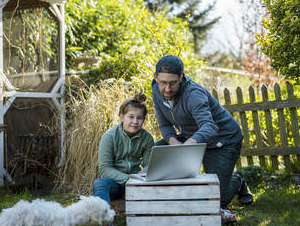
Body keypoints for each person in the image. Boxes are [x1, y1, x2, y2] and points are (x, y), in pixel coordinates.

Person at [151, 55, 253, 222]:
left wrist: (189, 144)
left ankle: (237, 180)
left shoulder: (193, 94)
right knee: (158, 148)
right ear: (156, 77)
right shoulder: (156, 90)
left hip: (224, 140)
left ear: (181, 78)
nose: (167, 89)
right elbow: (165, 126)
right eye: (163, 82)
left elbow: (210, 126)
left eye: (173, 83)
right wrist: (176, 144)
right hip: (193, 138)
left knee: (213, 202)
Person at [93, 92, 154, 206]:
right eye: (131, 117)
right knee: (99, 183)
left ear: (144, 119)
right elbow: (105, 168)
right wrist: (128, 179)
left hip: (137, 182)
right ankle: (104, 218)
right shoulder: (109, 136)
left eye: (139, 118)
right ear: (121, 117)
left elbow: (149, 164)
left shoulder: (147, 138)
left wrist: (144, 172)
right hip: (114, 183)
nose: (135, 122)